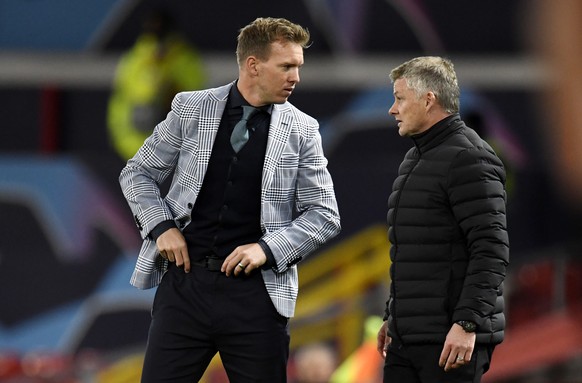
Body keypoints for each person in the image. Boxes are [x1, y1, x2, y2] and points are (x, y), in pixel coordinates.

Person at [119, 17, 341, 382]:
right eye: (286, 66)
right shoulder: (191, 108)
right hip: (185, 288)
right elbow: (137, 173)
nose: (296, 77)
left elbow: (325, 214)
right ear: (253, 65)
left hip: (257, 296)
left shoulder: (303, 130)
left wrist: (267, 249)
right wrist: (161, 227)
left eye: (298, 67)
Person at [375, 56, 509, 382]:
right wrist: (394, 316)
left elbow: (490, 248)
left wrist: (466, 324)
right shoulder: (414, 159)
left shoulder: (469, 157)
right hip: (407, 339)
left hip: (451, 340)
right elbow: (415, 253)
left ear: (428, 99)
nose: (393, 109)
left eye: (400, 98)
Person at [108, 8, 207, 160]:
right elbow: (129, 104)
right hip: (139, 150)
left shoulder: (185, 61)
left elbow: (198, 104)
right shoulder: (135, 61)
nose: (159, 40)